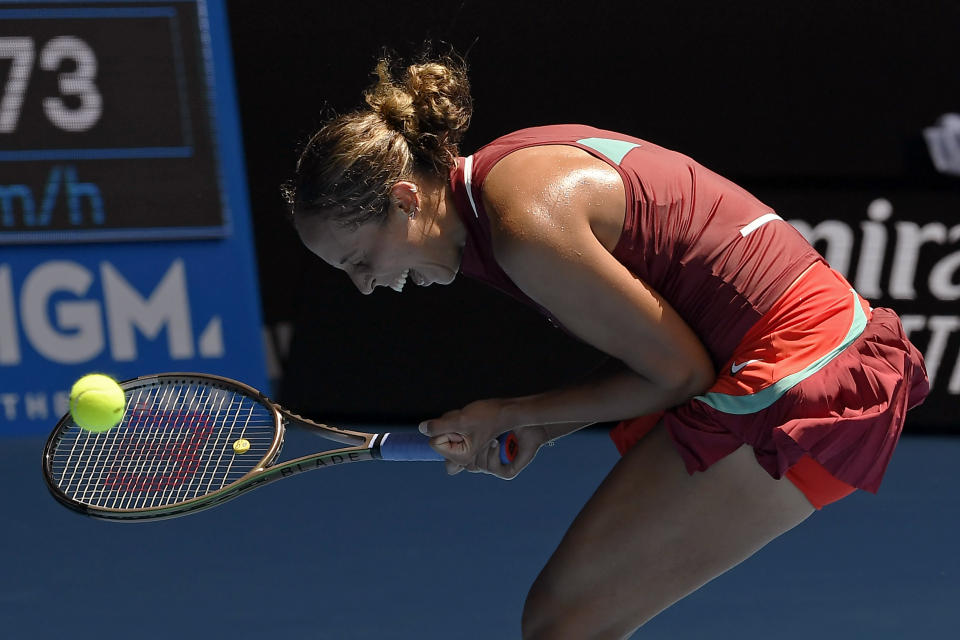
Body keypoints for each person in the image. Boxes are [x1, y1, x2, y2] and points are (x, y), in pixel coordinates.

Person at [283, 54, 929, 639]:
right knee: (574, 621)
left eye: (358, 259)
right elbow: (657, 350)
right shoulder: (498, 183)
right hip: (815, 353)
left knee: (565, 623)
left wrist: (512, 413)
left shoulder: (522, 225)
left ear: (402, 201)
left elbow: (676, 373)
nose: (365, 287)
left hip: (804, 376)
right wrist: (543, 427)